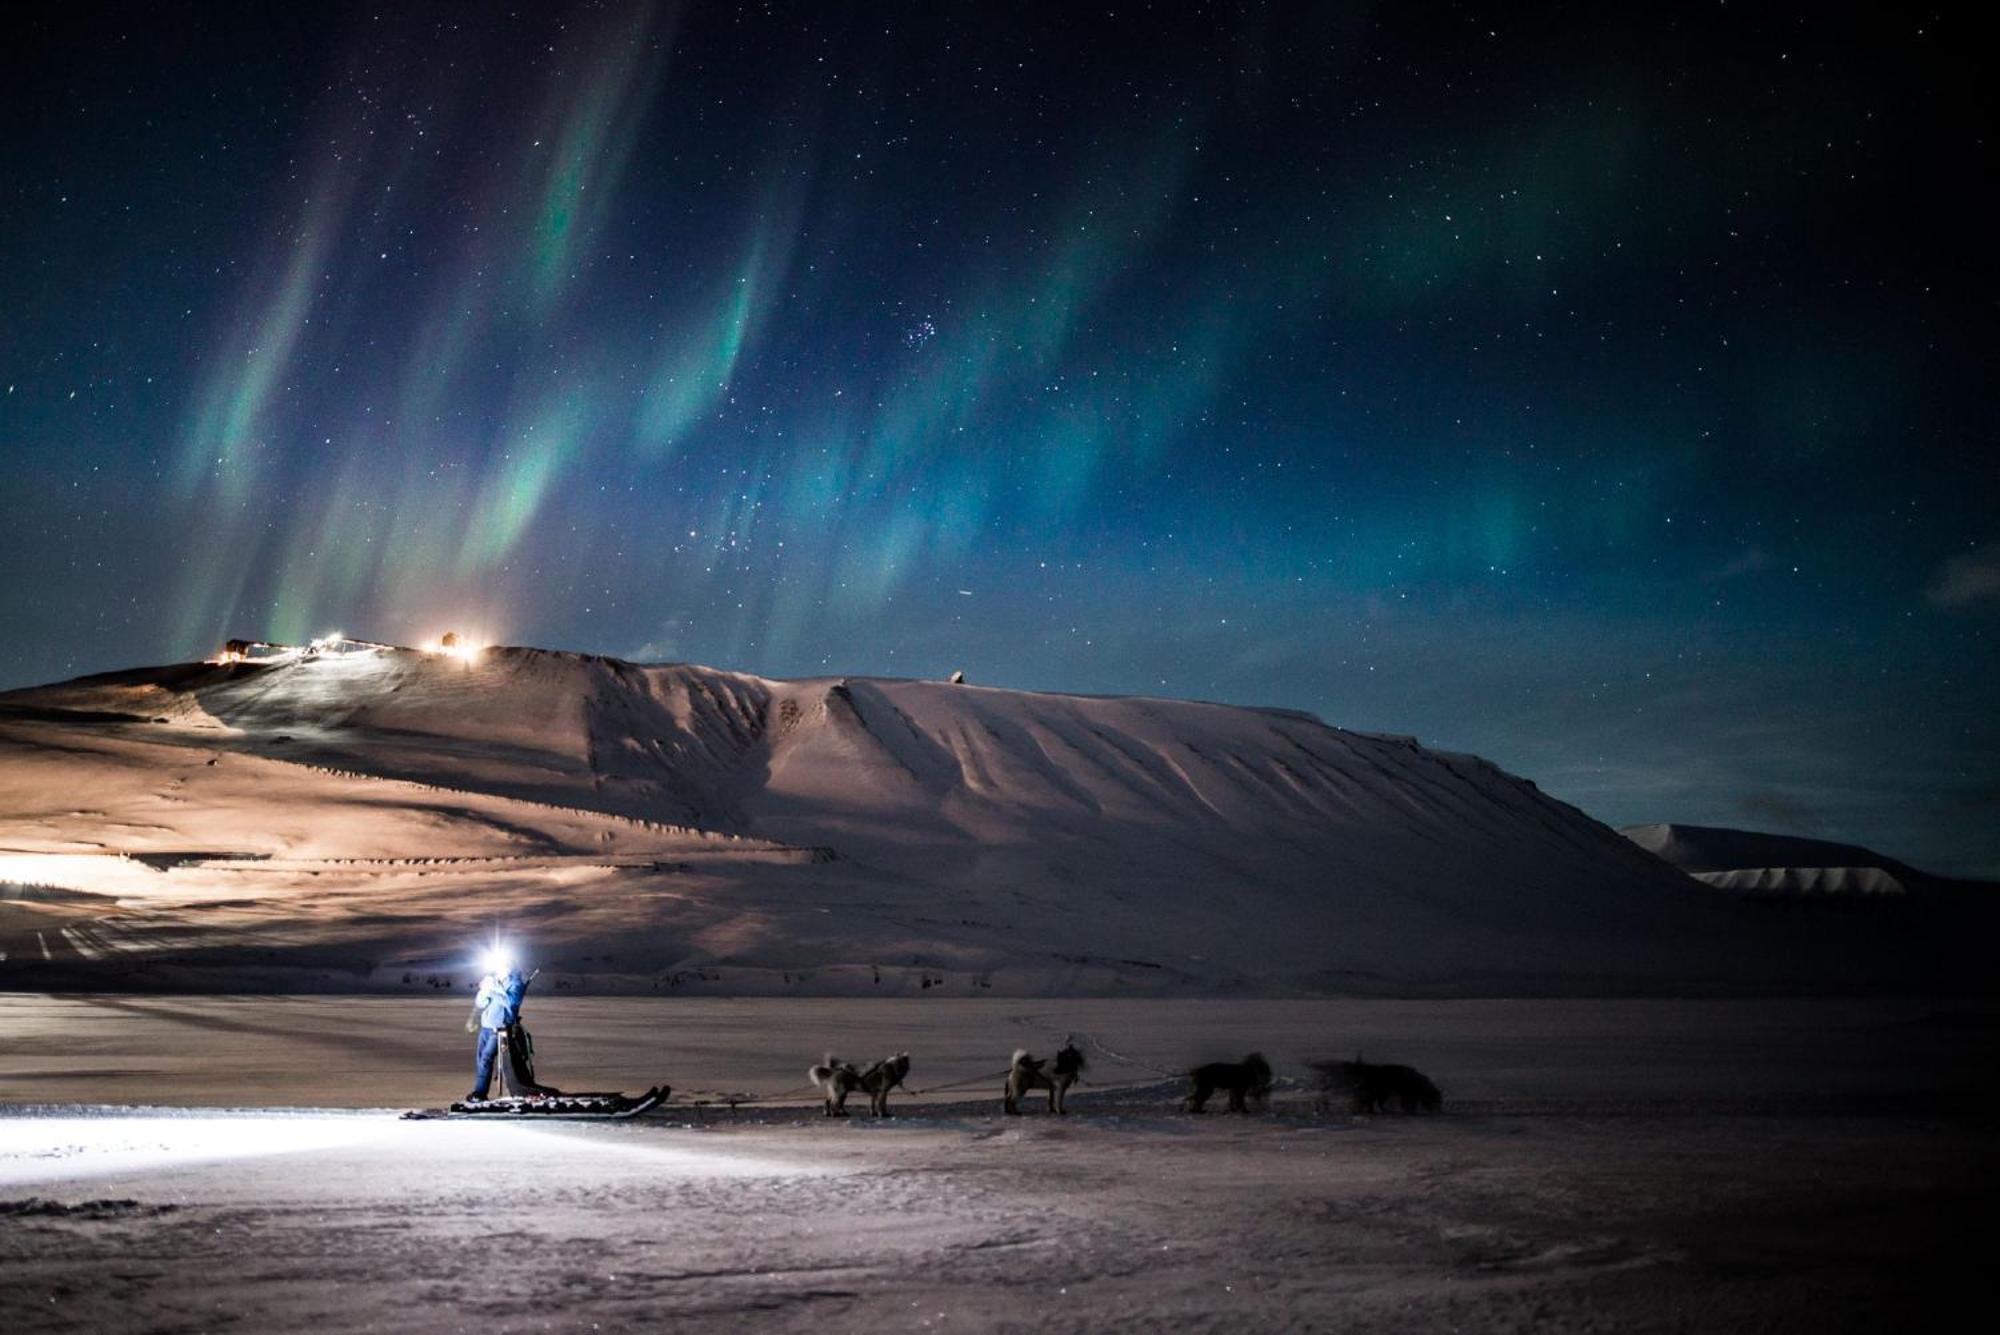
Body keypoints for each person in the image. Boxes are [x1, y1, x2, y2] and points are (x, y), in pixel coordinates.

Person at [465, 956, 535, 1101]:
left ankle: (480, 1093)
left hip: (500, 1028)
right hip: (486, 1027)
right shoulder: (494, 980)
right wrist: (484, 991)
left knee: (486, 1058)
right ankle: (480, 1091)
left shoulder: (516, 983)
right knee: (481, 1060)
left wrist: (493, 991)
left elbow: (511, 1002)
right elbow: (481, 1003)